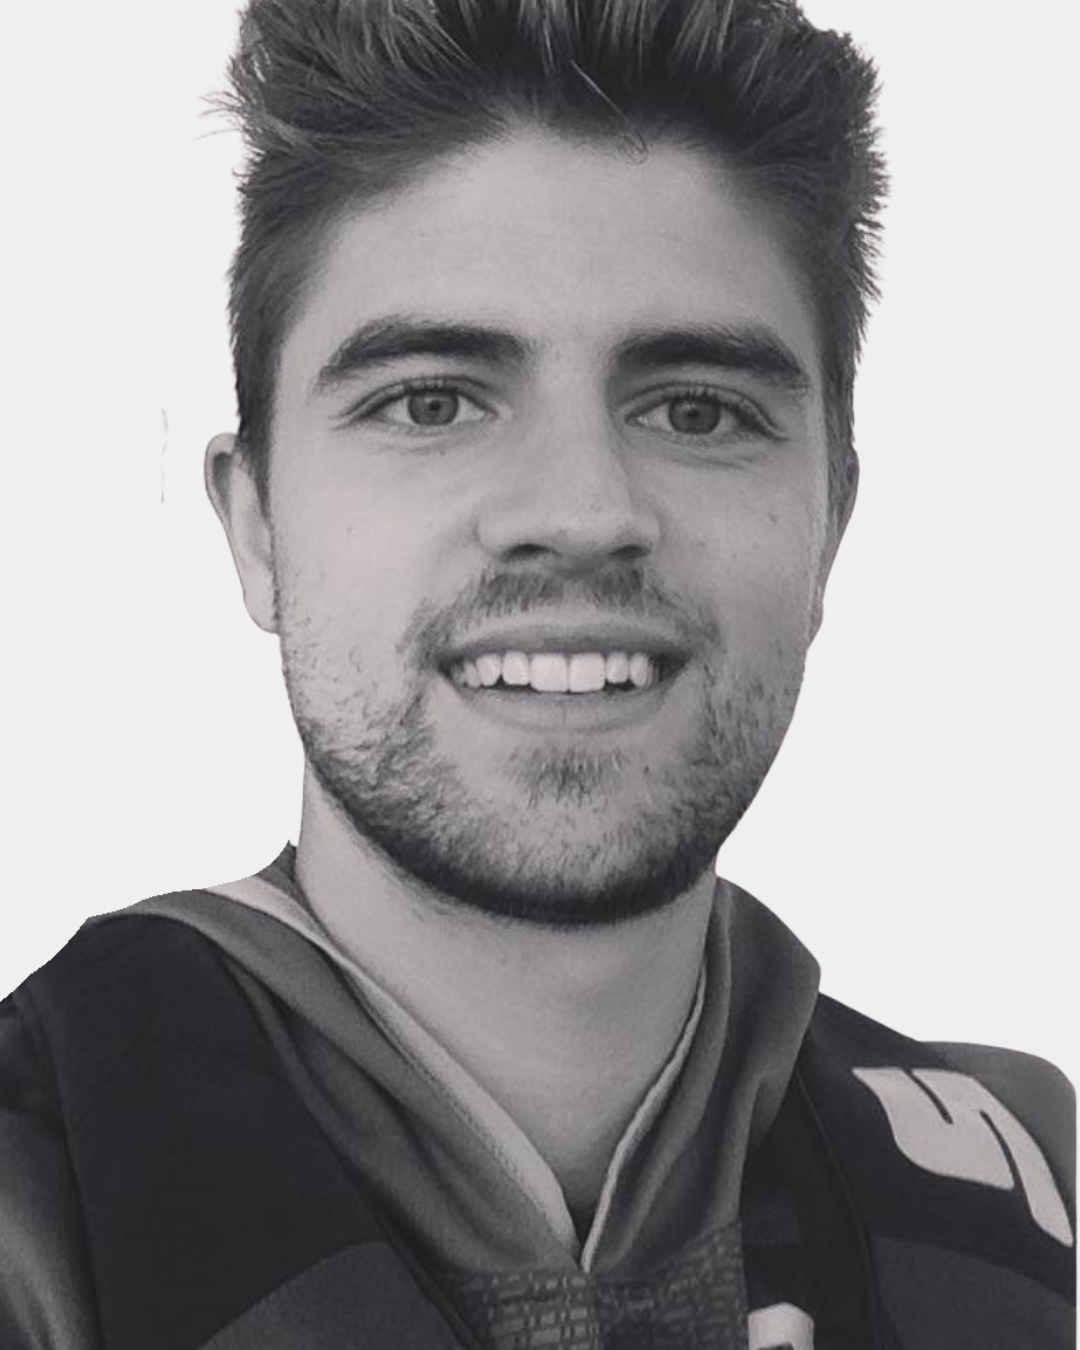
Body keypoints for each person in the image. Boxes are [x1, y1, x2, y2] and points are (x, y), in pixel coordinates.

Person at [0, 0, 1073, 1346]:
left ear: (830, 525)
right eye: (431, 401)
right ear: (257, 526)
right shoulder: (44, 1192)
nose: (580, 510)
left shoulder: (1033, 1213)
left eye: (697, 409)